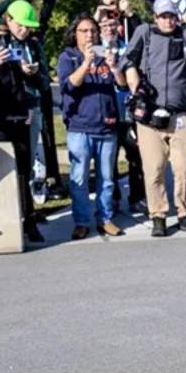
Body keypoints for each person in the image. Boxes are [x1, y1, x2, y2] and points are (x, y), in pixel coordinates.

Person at [122, 0, 186, 238]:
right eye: (163, 16)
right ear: (155, 17)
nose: (168, 21)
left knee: (184, 169)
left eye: (171, 16)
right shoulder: (145, 32)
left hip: (180, 114)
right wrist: (132, 76)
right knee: (154, 169)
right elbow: (126, 58)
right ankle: (158, 216)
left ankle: (184, 214)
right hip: (150, 114)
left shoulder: (183, 34)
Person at [56, 14, 125, 239]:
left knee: (107, 179)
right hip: (80, 127)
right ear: (75, 34)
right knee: (79, 179)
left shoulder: (106, 55)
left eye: (93, 31)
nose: (89, 35)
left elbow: (122, 85)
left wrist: (114, 67)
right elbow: (69, 86)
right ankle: (81, 221)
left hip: (106, 126)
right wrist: (86, 63)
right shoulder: (68, 57)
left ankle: (105, 219)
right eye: (84, 31)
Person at [0, 14, 42, 242]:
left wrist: (28, 74)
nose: (2, 42)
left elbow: (24, 90)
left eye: (5, 37)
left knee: (24, 171)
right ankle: (5, 218)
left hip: (19, 120)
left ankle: (29, 219)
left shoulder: (14, 59)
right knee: (1, 171)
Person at [0, 0, 60, 200]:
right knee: (7, 160)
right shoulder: (1, 39)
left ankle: (29, 201)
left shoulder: (33, 42)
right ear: (10, 21)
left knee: (28, 157)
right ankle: (15, 202)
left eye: (28, 26)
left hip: (32, 106)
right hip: (7, 109)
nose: (25, 30)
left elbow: (44, 80)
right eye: (21, 25)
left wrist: (34, 74)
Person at [100, 12, 145, 215]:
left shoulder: (128, 48)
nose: (109, 29)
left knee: (135, 155)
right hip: (105, 111)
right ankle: (113, 198)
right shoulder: (95, 50)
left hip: (126, 111)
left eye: (113, 25)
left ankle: (137, 197)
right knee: (108, 159)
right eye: (105, 25)